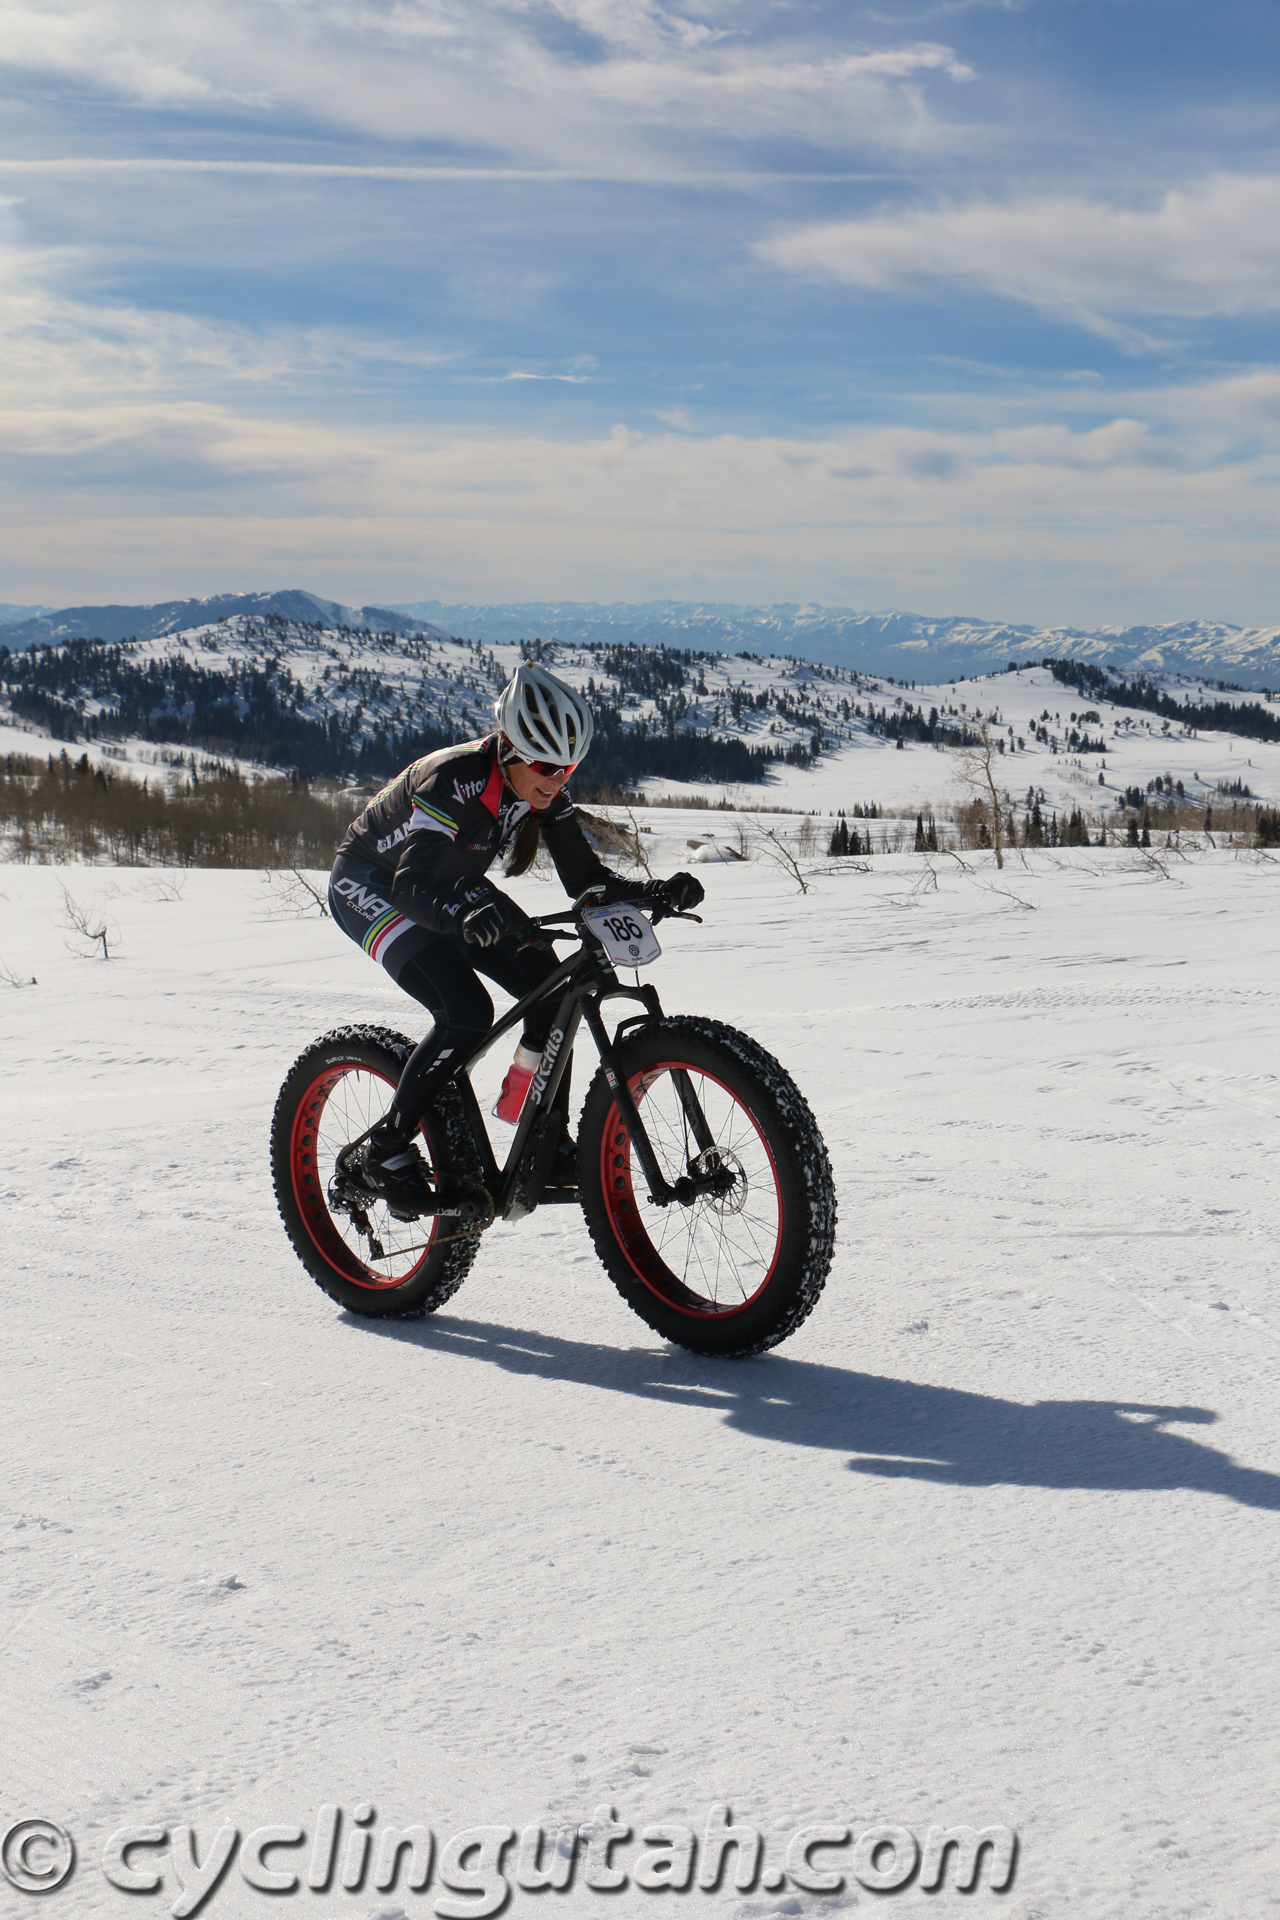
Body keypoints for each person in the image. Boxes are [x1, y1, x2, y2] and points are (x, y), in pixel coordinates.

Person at [327, 661, 704, 1211]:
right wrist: (459, 918)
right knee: (466, 1011)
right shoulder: (455, 780)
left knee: (552, 987)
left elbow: (586, 880)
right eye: (548, 766)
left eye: (570, 768)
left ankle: (544, 1144)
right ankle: (386, 1148)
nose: (558, 780)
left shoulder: (543, 789)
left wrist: (651, 892)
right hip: (374, 886)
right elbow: (411, 884)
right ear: (508, 747)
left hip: (448, 884)